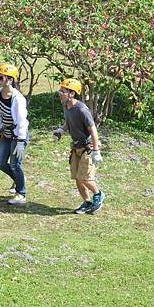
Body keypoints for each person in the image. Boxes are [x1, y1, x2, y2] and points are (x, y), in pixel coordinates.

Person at [53, 79, 105, 214]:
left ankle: (98, 194)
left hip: (88, 147)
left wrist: (96, 151)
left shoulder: (82, 110)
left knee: (85, 177)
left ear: (72, 93)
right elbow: (68, 122)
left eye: (63, 91)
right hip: (76, 147)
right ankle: (87, 202)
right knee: (77, 177)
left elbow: (93, 130)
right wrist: (61, 130)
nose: (60, 93)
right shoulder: (66, 106)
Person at [0, 64, 29, 205]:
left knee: (15, 164)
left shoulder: (18, 99)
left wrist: (20, 141)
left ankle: (21, 192)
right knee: (0, 162)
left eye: (1, 77)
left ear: (10, 80)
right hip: (5, 133)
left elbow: (22, 121)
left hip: (18, 135)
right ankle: (19, 180)